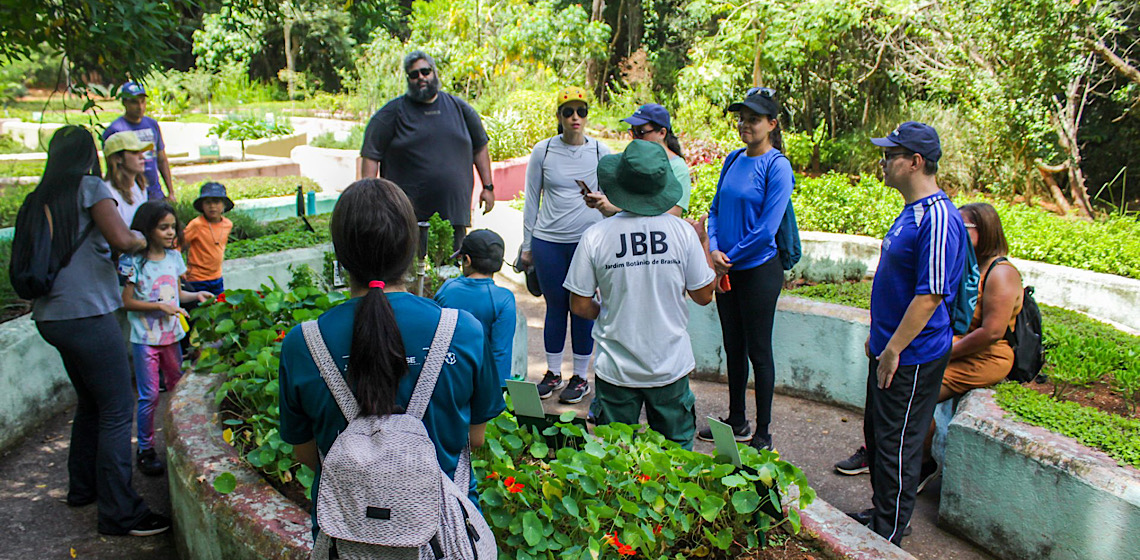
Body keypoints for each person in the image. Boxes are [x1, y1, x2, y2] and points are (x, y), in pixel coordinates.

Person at [278, 178, 505, 533]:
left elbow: (306, 454)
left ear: (340, 255)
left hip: (347, 541)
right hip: (443, 540)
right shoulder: (462, 331)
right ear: (411, 249)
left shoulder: (303, 344)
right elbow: (475, 439)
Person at [20, 125, 169, 536]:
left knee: (90, 403)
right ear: (91, 156)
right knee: (118, 409)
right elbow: (120, 237)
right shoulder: (90, 188)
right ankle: (122, 514)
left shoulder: (40, 196)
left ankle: (82, 488)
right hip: (87, 314)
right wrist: (143, 238)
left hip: (52, 317)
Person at [835, 202, 1023, 485]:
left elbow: (992, 332)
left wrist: (942, 353)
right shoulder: (962, 262)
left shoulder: (1000, 273)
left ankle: (918, 464)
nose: (954, 232)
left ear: (984, 231)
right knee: (898, 390)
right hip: (953, 345)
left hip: (984, 356)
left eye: (963, 227)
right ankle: (883, 455)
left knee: (912, 395)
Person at [844, 121, 969, 547]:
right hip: (889, 348)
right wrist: (879, 339)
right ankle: (884, 513)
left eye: (890, 155)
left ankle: (889, 532)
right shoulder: (911, 212)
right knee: (879, 436)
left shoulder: (937, 218)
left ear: (915, 162)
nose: (883, 162)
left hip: (912, 355)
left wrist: (894, 347)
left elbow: (930, 295)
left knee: (898, 442)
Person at [563, 140, 716, 450]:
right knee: (679, 464)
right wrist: (703, 243)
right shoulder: (683, 233)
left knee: (614, 464)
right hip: (670, 366)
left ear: (619, 184)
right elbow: (704, 296)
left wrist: (607, 311)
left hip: (616, 370)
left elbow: (579, 304)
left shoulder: (596, 237)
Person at [696, 88, 795, 451]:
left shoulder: (777, 166)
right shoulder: (733, 159)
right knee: (732, 346)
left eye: (753, 119)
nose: (745, 125)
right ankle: (736, 419)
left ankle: (763, 432)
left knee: (759, 350)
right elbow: (717, 208)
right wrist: (717, 249)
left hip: (758, 270)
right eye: (742, 118)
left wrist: (730, 255)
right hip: (728, 268)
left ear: (771, 124)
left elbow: (767, 229)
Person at [518, 86, 613, 404]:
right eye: (568, 112)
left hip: (588, 242)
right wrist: (527, 245)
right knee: (556, 307)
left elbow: (615, 198)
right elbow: (532, 200)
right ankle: (553, 372)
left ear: (587, 115)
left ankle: (580, 377)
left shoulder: (601, 152)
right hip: (549, 242)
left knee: (583, 308)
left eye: (581, 111)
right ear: (559, 117)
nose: (575, 117)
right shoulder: (543, 151)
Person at [359, 51, 495, 249]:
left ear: (434, 73)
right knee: (408, 273)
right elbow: (371, 155)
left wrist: (488, 187)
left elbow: (480, 148)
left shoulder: (460, 109)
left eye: (425, 71)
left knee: (449, 269)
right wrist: (370, 199)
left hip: (453, 214)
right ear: (408, 79)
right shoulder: (390, 114)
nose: (421, 78)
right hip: (405, 216)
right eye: (414, 74)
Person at [118, 201, 213, 476]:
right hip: (145, 339)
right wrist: (159, 307)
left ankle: (178, 441)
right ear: (147, 229)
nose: (171, 232)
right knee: (149, 396)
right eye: (163, 228)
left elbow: (176, 293)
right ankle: (146, 449)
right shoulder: (134, 262)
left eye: (173, 227)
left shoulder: (174, 259)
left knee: (177, 389)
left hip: (172, 336)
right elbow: (126, 302)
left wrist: (195, 296)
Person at [434, 228, 518, 386]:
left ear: (467, 260)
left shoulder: (448, 288)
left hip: (447, 377)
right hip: (481, 382)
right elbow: (501, 352)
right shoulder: (504, 299)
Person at [585, 103, 692, 217]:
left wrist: (619, 208)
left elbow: (673, 214)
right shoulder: (632, 160)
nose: (635, 138)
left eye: (640, 132)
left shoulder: (678, 167)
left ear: (662, 133)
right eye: (633, 132)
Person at [101, 81, 175, 201]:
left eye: (142, 101)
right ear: (124, 103)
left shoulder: (152, 124)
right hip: (129, 193)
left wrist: (170, 192)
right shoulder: (114, 130)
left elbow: (162, 159)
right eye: (134, 102)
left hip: (154, 192)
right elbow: (111, 165)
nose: (140, 107)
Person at [182, 182, 233, 296]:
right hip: (197, 278)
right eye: (208, 202)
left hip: (217, 276)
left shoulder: (228, 224)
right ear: (202, 206)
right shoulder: (196, 225)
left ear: (224, 205)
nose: (212, 206)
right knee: (200, 310)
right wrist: (179, 269)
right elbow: (178, 245)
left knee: (219, 307)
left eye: (216, 202)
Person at [102, 131, 150, 228]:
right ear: (118, 158)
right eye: (135, 152)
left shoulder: (140, 185)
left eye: (142, 152)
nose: (142, 157)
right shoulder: (108, 192)